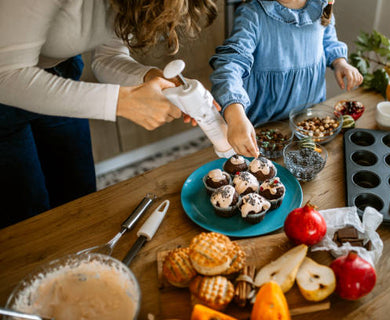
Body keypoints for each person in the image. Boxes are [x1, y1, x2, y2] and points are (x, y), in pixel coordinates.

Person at [0, 0, 218, 228]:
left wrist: (152, 79)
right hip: (5, 99)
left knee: (79, 200)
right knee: (27, 216)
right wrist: (121, 102)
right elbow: (6, 76)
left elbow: (108, 56)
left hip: (61, 75)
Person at [209, 0, 363, 157]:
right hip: (264, 126)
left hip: (309, 120)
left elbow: (328, 41)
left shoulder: (320, 5)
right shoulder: (252, 13)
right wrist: (234, 114)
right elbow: (230, 64)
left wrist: (340, 62)